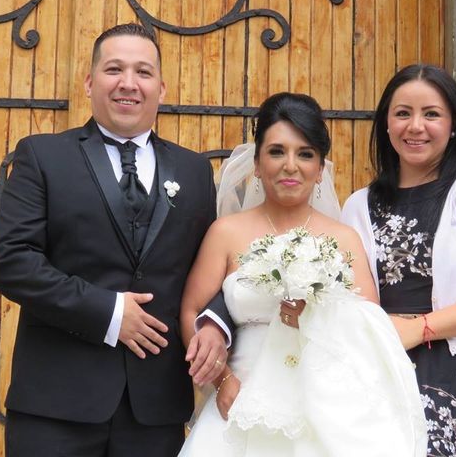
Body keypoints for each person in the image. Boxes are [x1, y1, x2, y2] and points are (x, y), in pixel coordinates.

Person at [0, 23, 231, 457]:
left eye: (143, 72)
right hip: (55, 407)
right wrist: (109, 310)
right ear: (89, 82)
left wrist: (214, 322)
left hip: (154, 410)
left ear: (162, 87)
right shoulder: (43, 155)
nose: (128, 84)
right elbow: (12, 260)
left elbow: (210, 272)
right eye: (114, 69)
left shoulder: (195, 172)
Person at [178, 92, 427, 456]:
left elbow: (369, 328)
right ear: (257, 163)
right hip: (240, 394)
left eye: (305, 153)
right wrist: (221, 379)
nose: (290, 166)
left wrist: (313, 316)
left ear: (320, 168)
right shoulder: (226, 233)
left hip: (323, 403)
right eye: (276, 151)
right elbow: (191, 310)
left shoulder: (343, 238)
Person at [340, 64, 456, 455]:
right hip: (382, 370)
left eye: (432, 114)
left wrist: (420, 328)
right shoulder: (359, 204)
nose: (415, 126)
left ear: (454, 124)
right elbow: (350, 295)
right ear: (386, 124)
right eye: (402, 113)